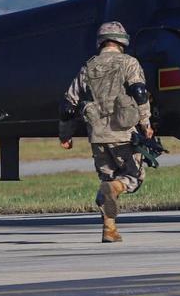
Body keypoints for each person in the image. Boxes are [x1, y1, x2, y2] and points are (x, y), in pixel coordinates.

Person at [58, 21, 153, 243]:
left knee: (106, 178)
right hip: (123, 133)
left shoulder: (88, 67)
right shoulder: (129, 63)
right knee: (132, 177)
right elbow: (139, 92)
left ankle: (109, 230)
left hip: (97, 135)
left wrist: (65, 135)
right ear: (122, 41)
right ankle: (114, 188)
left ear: (101, 41)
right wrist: (146, 123)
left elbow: (67, 106)